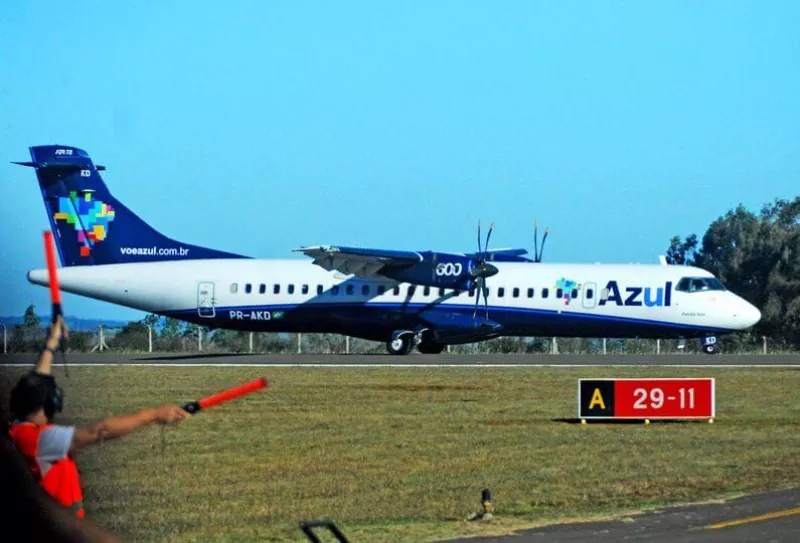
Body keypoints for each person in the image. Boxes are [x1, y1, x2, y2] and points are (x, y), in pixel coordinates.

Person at [6, 315, 190, 519]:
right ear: (50, 405)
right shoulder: (41, 440)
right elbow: (99, 431)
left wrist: (51, 343)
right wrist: (153, 414)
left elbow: (37, 383)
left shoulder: (16, 430)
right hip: (61, 530)